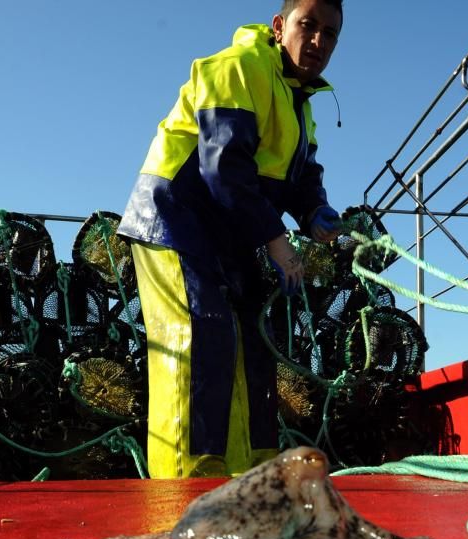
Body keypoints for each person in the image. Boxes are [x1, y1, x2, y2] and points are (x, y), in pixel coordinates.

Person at [117, 0, 344, 478]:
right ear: (280, 27)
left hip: (230, 233)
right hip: (176, 220)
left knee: (254, 340)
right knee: (204, 331)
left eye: (330, 33)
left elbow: (303, 176)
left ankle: (249, 471)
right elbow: (223, 170)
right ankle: (188, 478)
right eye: (309, 26)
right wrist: (278, 241)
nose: (319, 41)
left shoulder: (302, 105)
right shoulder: (238, 68)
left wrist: (313, 209)